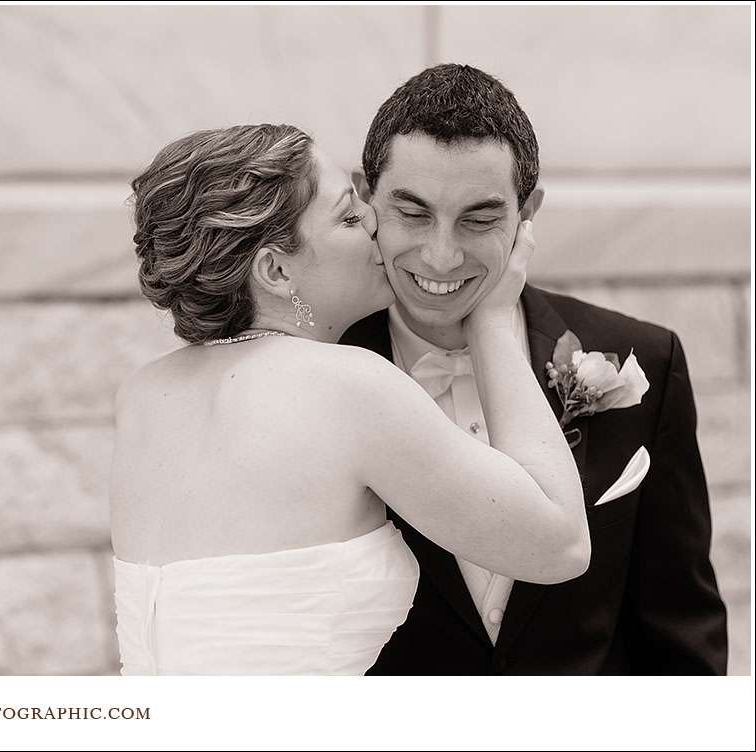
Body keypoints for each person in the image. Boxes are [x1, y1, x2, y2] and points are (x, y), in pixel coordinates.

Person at [109, 123, 589, 675]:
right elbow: (561, 544)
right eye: (347, 214)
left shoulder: (142, 395)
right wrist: (496, 317)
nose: (373, 223)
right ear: (275, 269)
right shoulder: (349, 386)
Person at [342, 63, 728, 675]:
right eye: (413, 213)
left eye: (480, 217)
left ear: (528, 212)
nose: (442, 254)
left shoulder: (644, 359)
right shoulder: (320, 371)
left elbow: (681, 633)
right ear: (367, 199)